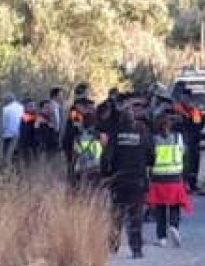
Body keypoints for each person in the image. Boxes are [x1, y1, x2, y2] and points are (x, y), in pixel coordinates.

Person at [103, 110, 155, 258]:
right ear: (134, 120)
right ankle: (136, 249)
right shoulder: (143, 134)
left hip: (118, 179)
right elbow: (152, 157)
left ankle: (113, 246)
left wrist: (107, 174)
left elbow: (106, 157)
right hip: (137, 180)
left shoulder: (116, 134)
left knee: (116, 215)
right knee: (136, 216)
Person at [147, 114, 192, 248]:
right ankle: (174, 226)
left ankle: (162, 237)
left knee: (160, 208)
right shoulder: (178, 138)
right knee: (175, 205)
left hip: (158, 177)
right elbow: (184, 155)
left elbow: (150, 157)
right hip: (175, 176)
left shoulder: (154, 140)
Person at [174, 92, 204, 192]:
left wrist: (190, 116)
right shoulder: (176, 109)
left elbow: (198, 125)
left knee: (193, 163)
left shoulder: (195, 110)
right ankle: (181, 184)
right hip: (179, 139)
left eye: (187, 98)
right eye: (183, 97)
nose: (185, 100)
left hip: (193, 141)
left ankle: (192, 184)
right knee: (182, 163)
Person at [71, 112, 105, 189]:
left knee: (82, 193)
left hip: (81, 167)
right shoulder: (99, 135)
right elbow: (102, 152)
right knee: (94, 193)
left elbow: (76, 153)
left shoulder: (78, 136)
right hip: (95, 167)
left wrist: (72, 169)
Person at [0, 93, 24, 162]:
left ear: (7, 100)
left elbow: (5, 123)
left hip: (8, 134)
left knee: (6, 152)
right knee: (17, 152)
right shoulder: (21, 107)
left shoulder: (6, 109)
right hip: (19, 133)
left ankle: (6, 166)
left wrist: (2, 132)